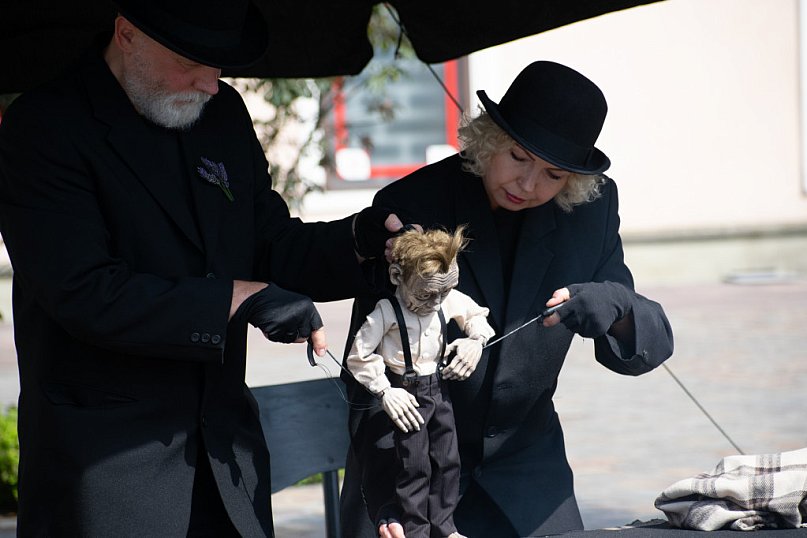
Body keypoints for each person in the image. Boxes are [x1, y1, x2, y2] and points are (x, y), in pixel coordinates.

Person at [0, 1, 404, 536]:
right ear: (127, 34)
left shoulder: (222, 113)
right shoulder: (45, 125)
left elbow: (270, 243)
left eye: (220, 64)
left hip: (226, 464)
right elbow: (83, 291)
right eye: (191, 62)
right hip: (108, 471)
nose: (211, 83)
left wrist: (360, 240)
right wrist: (233, 300)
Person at [339, 60, 675, 538]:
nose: (528, 184)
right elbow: (364, 364)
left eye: (553, 174)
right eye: (518, 157)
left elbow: (649, 344)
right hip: (408, 465)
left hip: (527, 472)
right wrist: (387, 497)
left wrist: (614, 306)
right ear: (489, 139)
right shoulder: (412, 203)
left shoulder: (590, 213)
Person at [347, 227, 495, 538]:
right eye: (427, 294)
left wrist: (476, 341)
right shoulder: (386, 312)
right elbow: (358, 356)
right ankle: (416, 530)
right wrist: (385, 391)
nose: (437, 302)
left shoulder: (446, 299)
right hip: (406, 392)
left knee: (448, 460)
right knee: (414, 465)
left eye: (446, 290)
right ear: (397, 276)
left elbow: (477, 317)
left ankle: (444, 527)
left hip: (439, 388)